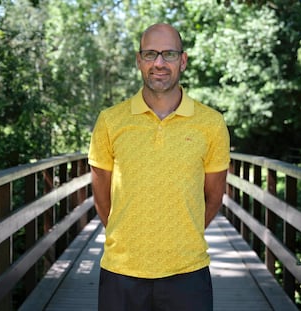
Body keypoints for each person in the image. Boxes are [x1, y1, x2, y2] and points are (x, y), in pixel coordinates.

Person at [88, 23, 230, 311]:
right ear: (139, 60)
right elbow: (101, 195)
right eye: (150, 54)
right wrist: (128, 233)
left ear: (183, 60)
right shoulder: (110, 120)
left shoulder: (211, 123)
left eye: (169, 54)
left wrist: (181, 234)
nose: (159, 63)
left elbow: (213, 197)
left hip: (188, 272)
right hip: (121, 271)